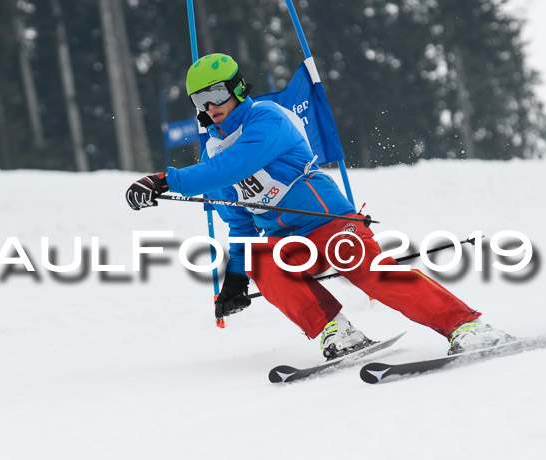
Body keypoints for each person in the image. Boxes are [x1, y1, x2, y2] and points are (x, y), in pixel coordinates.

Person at [126, 53, 510, 358]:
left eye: (217, 94)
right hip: (288, 243)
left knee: (369, 272)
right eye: (200, 100)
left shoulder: (266, 119)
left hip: (328, 221)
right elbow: (240, 223)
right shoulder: (213, 149)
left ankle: (466, 325)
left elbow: (230, 169)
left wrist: (165, 180)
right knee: (262, 259)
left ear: (238, 89)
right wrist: (237, 276)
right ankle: (336, 331)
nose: (210, 106)